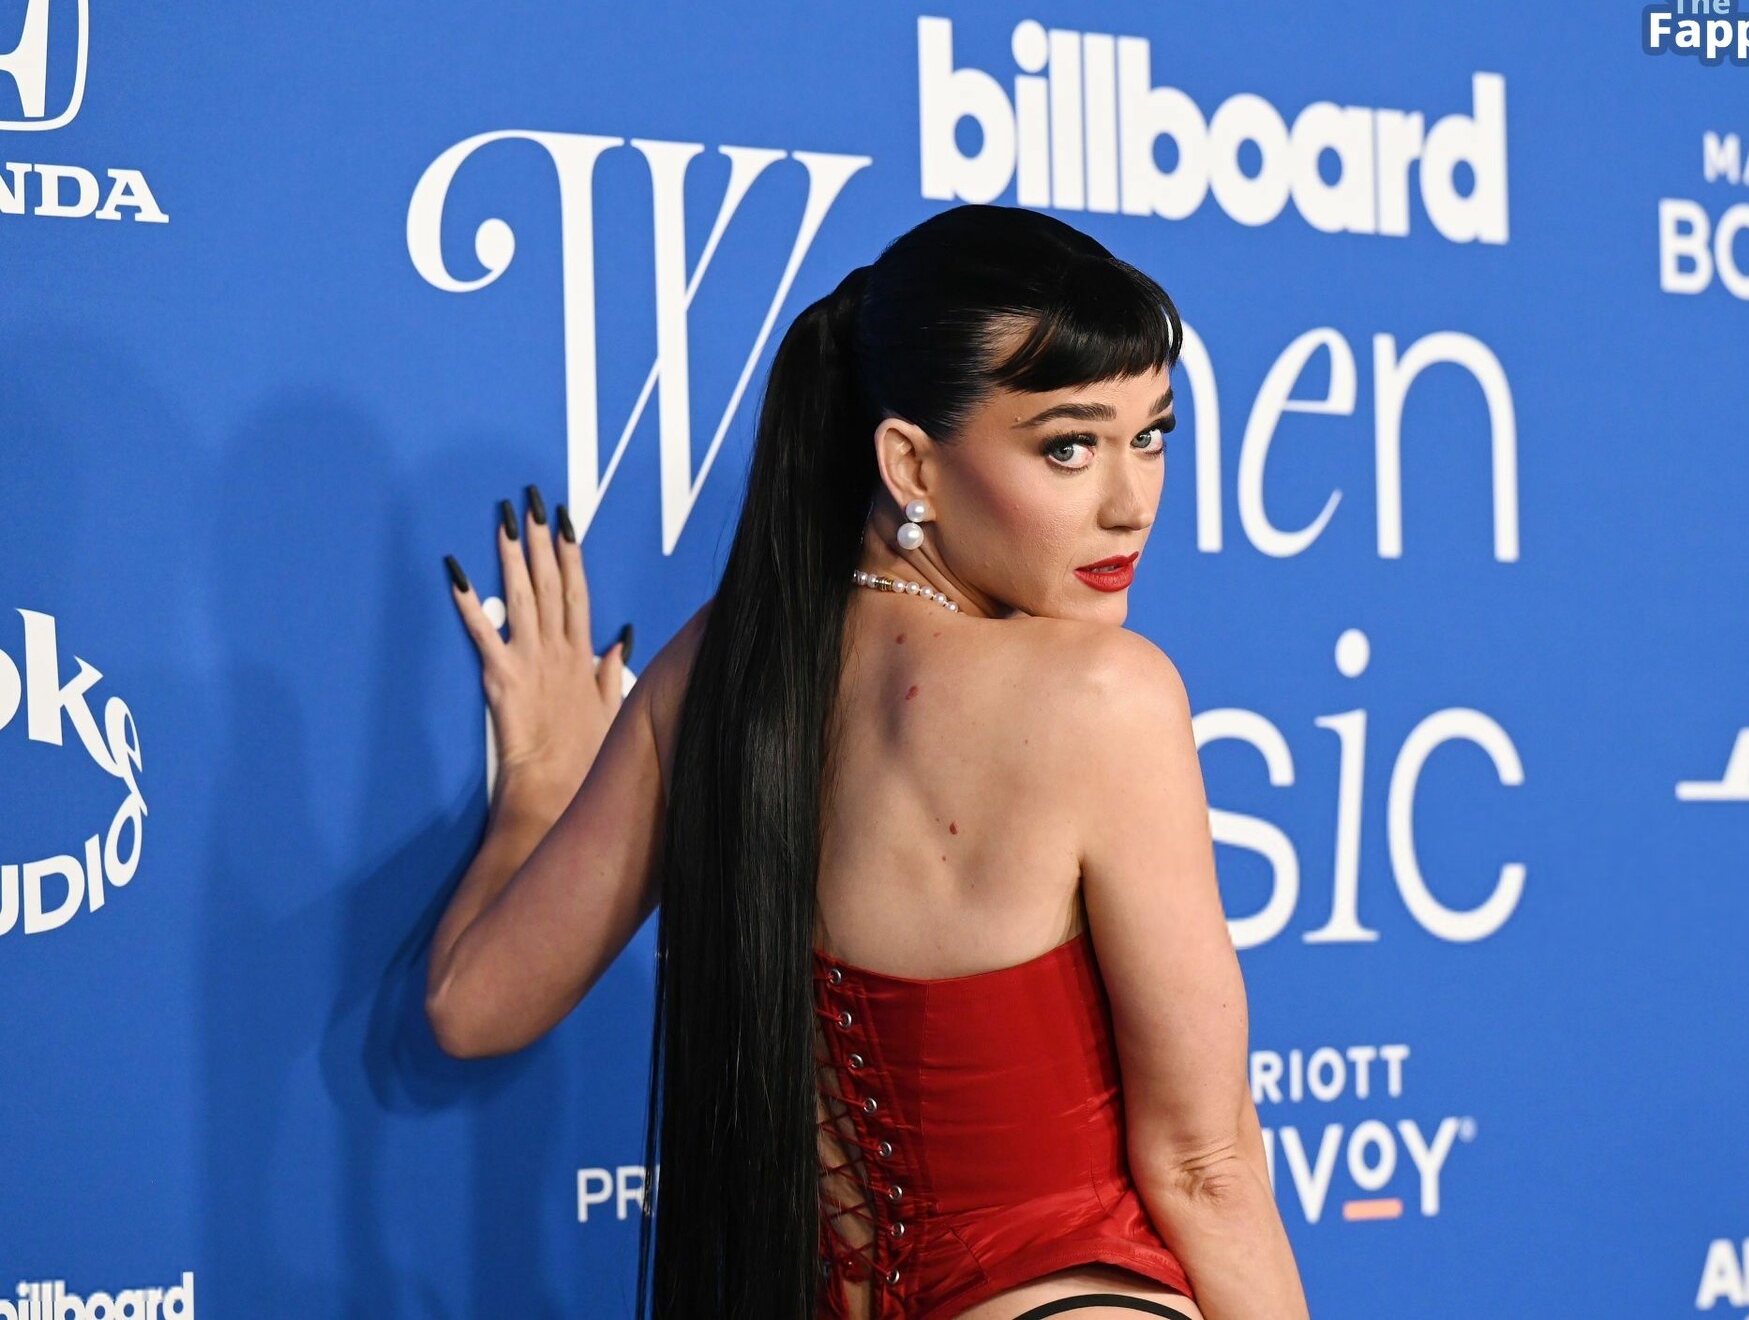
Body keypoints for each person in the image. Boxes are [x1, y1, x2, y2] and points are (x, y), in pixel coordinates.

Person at [427, 203, 1311, 1320]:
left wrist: (546, 777)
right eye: (1069, 446)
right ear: (911, 463)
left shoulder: (716, 671)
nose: (1131, 503)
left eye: (1153, 435)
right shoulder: (1105, 693)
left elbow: (470, 1005)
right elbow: (1205, 1166)